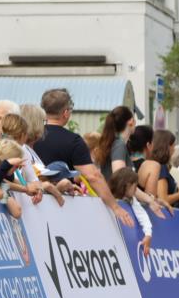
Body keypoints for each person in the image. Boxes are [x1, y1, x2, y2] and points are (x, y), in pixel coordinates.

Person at [32, 88, 133, 227]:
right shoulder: (73, 141)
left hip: (32, 204)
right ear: (66, 113)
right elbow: (93, 176)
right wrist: (115, 207)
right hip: (60, 209)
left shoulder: (31, 136)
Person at [109, 168, 153, 257]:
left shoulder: (132, 200)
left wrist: (148, 234)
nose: (136, 190)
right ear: (128, 185)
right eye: (135, 186)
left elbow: (143, 215)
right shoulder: (107, 195)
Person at [92, 105, 135, 182]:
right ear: (131, 121)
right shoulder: (119, 145)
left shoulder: (111, 143)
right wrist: (143, 194)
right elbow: (120, 179)